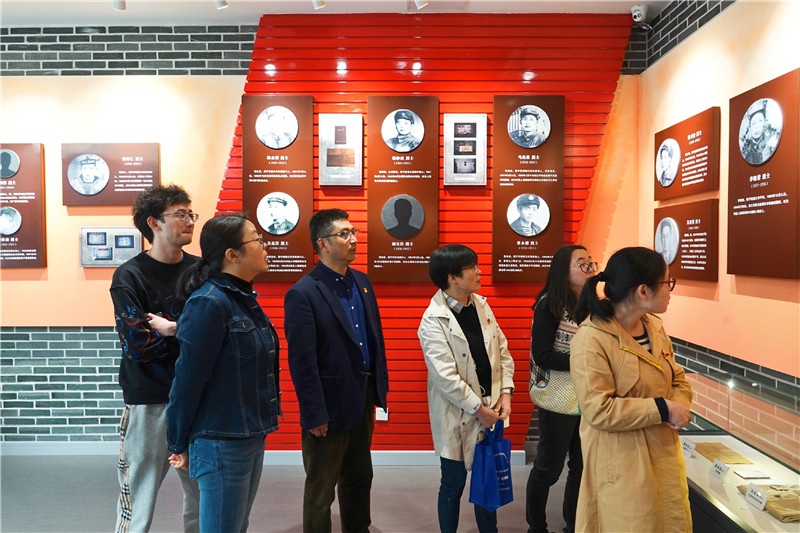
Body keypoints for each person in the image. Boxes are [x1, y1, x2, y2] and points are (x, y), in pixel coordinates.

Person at [166, 214, 280, 532]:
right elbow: (188, 380)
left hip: (248, 433)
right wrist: (177, 441)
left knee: (236, 526)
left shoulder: (241, 299)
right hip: (220, 439)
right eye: (257, 240)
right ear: (232, 255)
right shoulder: (209, 303)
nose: (265, 246)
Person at [570, 246, 693, 532]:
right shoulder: (592, 339)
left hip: (664, 453)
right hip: (623, 463)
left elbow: (677, 379)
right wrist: (662, 408)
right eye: (667, 282)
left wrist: (678, 406)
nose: (670, 290)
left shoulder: (654, 328)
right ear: (643, 291)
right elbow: (598, 410)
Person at [284, 208, 389, 533]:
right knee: (321, 489)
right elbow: (302, 361)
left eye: (353, 232)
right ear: (323, 243)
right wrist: (313, 412)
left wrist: (379, 390)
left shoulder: (362, 282)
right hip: (327, 408)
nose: (354, 239)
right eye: (344, 234)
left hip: (362, 399)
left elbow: (374, 338)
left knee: (360, 478)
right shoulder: (303, 292)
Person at [109, 184, 201, 533]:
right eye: (180, 214)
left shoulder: (201, 271)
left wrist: (172, 330)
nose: (189, 221)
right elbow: (139, 347)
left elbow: (215, 335)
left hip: (197, 398)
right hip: (149, 400)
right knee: (138, 497)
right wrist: (190, 338)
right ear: (154, 223)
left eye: (191, 213)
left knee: (203, 495)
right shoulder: (129, 276)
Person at [417, 244, 515, 533]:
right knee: (453, 482)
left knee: (487, 478)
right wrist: (479, 409)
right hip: (457, 412)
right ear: (453, 278)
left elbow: (502, 351)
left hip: (491, 408)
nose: (479, 272)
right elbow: (445, 377)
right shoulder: (432, 320)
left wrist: (506, 392)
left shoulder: (482, 305)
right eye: (471, 267)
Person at [526, 245, 597, 533]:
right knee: (547, 469)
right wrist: (586, 362)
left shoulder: (592, 304)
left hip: (587, 401)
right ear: (563, 271)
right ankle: (537, 527)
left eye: (591, 262)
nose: (589, 267)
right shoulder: (549, 305)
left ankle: (573, 526)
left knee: (581, 469)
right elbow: (543, 355)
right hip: (558, 399)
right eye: (582, 263)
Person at [740, 100, 780, 165]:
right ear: (750, 127)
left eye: (760, 121)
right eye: (754, 123)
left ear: (764, 123)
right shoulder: (746, 152)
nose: (757, 126)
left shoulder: (771, 145)